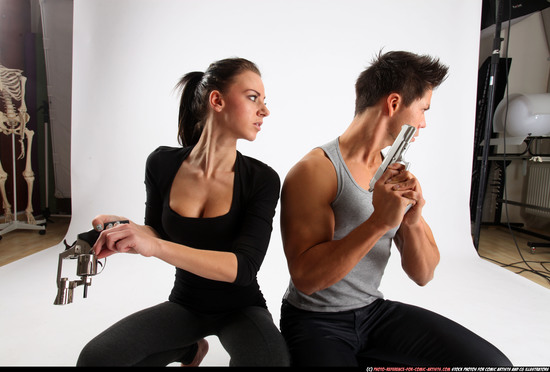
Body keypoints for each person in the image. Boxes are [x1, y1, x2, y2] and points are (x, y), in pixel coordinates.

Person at [278, 50, 512, 367]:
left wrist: (412, 220)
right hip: (314, 321)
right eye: (422, 110)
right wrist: (377, 222)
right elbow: (306, 278)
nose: (424, 123)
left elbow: (424, 274)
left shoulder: (393, 173)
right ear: (394, 104)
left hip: (373, 313)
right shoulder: (315, 171)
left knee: (493, 365)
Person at [77, 58, 290, 367]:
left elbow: (243, 268)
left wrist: (155, 246)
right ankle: (189, 350)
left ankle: (189, 348)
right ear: (216, 100)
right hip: (186, 305)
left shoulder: (262, 179)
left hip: (241, 309)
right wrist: (126, 229)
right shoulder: (162, 163)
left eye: (264, 101)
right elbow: (156, 232)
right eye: (253, 97)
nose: (264, 111)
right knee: (95, 360)